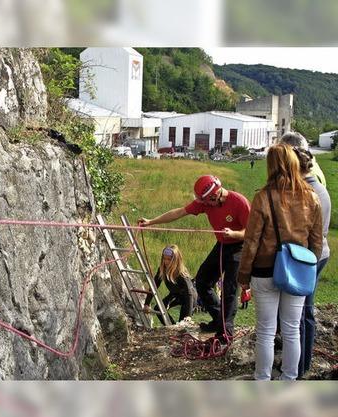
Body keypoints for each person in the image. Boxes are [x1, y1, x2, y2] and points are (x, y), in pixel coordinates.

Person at [237, 144, 323, 381]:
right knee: (292, 330)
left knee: (265, 331)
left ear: (271, 165)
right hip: (297, 270)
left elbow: (251, 241)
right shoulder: (312, 198)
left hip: (264, 271)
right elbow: (316, 243)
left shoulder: (263, 197)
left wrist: (243, 275)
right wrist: (308, 269)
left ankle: (262, 380)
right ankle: (289, 380)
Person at [138, 175, 251, 343]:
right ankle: (218, 320)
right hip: (221, 244)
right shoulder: (205, 202)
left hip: (240, 246)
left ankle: (225, 333)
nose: (204, 206)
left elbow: (251, 231)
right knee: (203, 281)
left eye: (207, 202)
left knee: (229, 289)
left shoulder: (239, 202)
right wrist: (151, 222)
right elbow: (180, 212)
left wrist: (234, 233)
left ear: (216, 194)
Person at [293, 147, 331, 379]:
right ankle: (302, 364)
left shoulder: (306, 193)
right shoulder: (319, 187)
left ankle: (298, 369)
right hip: (318, 254)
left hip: (307, 257)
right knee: (305, 312)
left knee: (299, 314)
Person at [143, 245, 197, 325]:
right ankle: (172, 327)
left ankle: (179, 329)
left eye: (169, 259)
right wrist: (147, 304)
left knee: (183, 322)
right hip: (175, 295)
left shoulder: (181, 273)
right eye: (164, 259)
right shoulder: (162, 270)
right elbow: (154, 286)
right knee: (158, 309)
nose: (166, 262)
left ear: (175, 260)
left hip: (189, 297)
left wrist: (188, 315)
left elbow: (189, 293)